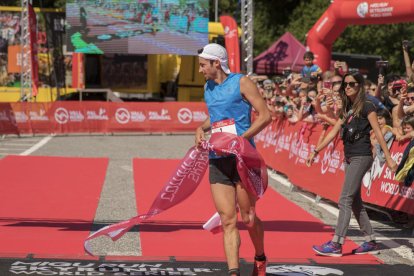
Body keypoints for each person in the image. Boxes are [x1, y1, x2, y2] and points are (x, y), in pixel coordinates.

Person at [195, 43, 271, 276]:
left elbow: (266, 116)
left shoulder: (241, 82)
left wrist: (240, 139)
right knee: (228, 220)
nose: (200, 70)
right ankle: (233, 272)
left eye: (203, 65)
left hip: (243, 158)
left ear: (216, 63)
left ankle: (260, 258)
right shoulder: (208, 87)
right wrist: (201, 127)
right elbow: (216, 116)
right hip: (218, 158)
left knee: (248, 218)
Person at [306, 72, 397, 257]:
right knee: (354, 202)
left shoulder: (367, 106)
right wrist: (316, 151)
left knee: (344, 199)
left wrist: (388, 158)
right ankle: (371, 240)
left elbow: (379, 133)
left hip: (362, 156)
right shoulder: (347, 108)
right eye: (345, 84)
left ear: (360, 86)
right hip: (349, 157)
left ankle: (336, 243)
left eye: (352, 84)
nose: (347, 87)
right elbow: (333, 132)